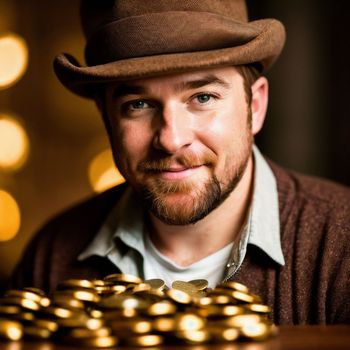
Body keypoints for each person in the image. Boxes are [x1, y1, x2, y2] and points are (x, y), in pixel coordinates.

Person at [10, 0, 350, 324]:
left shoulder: (342, 243)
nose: (171, 139)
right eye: (138, 105)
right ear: (106, 118)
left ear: (255, 106)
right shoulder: (52, 256)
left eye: (203, 97)